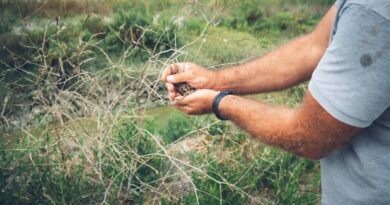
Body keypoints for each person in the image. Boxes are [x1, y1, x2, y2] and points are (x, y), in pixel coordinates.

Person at [161, 0, 390, 204]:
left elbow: (310, 137)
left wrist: (219, 102)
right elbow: (313, 47)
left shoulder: (376, 13)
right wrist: (214, 80)